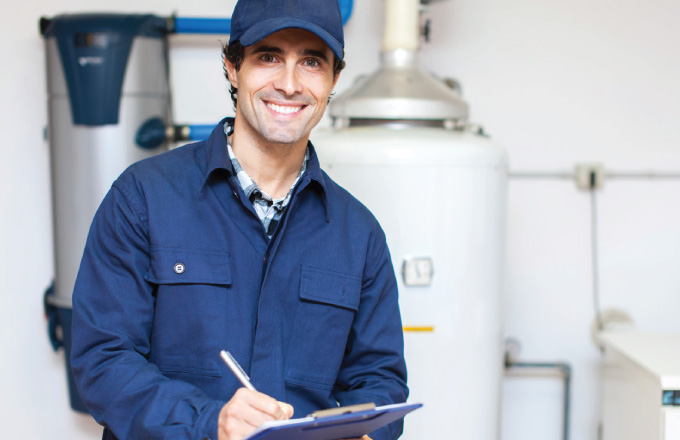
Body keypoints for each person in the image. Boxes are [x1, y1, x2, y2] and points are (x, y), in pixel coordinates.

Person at [70, 0, 408, 439]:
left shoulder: (358, 234)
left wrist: (368, 432)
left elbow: (379, 378)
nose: (289, 84)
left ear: (333, 80)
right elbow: (102, 361)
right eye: (269, 57)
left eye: (311, 62)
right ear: (232, 67)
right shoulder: (143, 198)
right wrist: (210, 423)